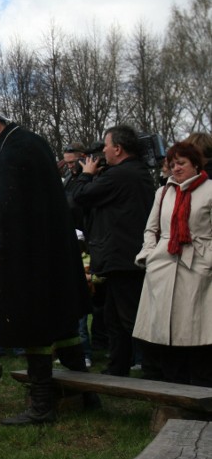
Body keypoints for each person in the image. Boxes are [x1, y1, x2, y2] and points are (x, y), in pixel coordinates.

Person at [0, 98, 90, 425]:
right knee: (63, 321)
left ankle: (42, 405)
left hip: (30, 255)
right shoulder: (33, 142)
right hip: (53, 249)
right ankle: (87, 397)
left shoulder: (10, 154)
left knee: (34, 326)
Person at [71, 125, 155, 377]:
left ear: (118, 149)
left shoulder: (120, 175)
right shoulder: (137, 173)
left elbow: (81, 196)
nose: (103, 151)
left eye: (106, 146)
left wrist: (86, 174)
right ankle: (118, 367)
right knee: (114, 318)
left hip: (122, 256)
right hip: (124, 255)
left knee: (129, 318)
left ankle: (155, 370)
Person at [133, 141, 212, 386]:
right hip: (164, 264)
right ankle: (172, 386)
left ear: (196, 164)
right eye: (172, 164)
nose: (176, 168)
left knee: (197, 330)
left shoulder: (209, 190)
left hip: (198, 264)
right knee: (165, 330)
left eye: (182, 163)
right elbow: (151, 228)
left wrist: (209, 259)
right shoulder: (163, 192)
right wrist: (149, 254)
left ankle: (201, 388)